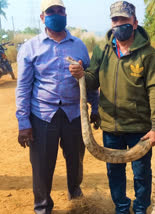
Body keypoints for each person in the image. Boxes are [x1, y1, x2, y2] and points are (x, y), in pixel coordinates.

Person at [69, 1, 155, 213]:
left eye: (124, 19)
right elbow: (93, 80)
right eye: (115, 20)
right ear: (111, 22)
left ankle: (140, 208)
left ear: (134, 22)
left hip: (139, 128)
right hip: (110, 126)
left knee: (141, 172)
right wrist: (82, 74)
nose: (119, 23)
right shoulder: (103, 50)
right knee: (114, 171)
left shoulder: (148, 55)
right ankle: (121, 208)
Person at [15, 0, 100, 213]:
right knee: (42, 166)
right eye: (51, 11)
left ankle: (76, 195)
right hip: (42, 115)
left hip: (73, 114)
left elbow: (89, 79)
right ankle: (43, 207)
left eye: (60, 10)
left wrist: (96, 107)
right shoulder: (30, 47)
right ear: (42, 17)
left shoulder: (79, 45)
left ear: (66, 14)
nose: (56, 14)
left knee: (76, 161)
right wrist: (24, 123)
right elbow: (23, 88)